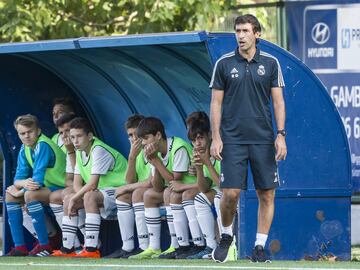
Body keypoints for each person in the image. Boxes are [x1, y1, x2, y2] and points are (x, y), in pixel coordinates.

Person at [210, 14, 287, 263]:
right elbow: (216, 103)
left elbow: (278, 101)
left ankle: (259, 246)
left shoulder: (271, 63)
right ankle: (225, 235)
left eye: (245, 31)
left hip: (263, 140)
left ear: (257, 34)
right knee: (230, 193)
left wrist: (281, 135)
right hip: (231, 140)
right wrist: (215, 137)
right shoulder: (223, 63)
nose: (240, 35)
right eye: (237, 31)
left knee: (267, 194)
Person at [130, 117, 200, 259]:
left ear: (158, 135)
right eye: (141, 139)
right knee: (149, 195)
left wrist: (156, 161)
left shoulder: (177, 147)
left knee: (169, 192)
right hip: (176, 189)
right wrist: (154, 163)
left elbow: (174, 180)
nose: (143, 143)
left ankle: (178, 244)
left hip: (194, 187)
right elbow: (157, 187)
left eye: (146, 138)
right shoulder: (153, 152)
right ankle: (154, 247)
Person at [64, 117, 128, 258]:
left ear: (90, 136)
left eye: (79, 136)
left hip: (121, 191)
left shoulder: (98, 149)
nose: (75, 141)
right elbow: (76, 183)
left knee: (87, 195)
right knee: (68, 198)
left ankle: (92, 249)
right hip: (103, 193)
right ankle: (67, 249)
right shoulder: (80, 152)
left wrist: (76, 197)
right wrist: (73, 198)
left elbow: (92, 184)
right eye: (72, 137)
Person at [5, 114, 66, 256]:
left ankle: (45, 245)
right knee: (10, 196)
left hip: (63, 187)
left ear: (38, 131)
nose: (26, 136)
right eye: (22, 133)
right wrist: (22, 184)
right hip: (48, 188)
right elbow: (18, 178)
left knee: (30, 194)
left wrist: (20, 191)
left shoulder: (43, 144)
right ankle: (20, 247)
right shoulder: (24, 148)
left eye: (29, 132)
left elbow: (37, 181)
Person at [105, 114, 152, 258]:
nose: (132, 139)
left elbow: (151, 181)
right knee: (123, 196)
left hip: (160, 190)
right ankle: (128, 247)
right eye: (129, 135)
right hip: (144, 192)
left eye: (134, 134)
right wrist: (131, 157)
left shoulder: (151, 148)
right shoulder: (136, 152)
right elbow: (129, 180)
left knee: (135, 193)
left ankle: (144, 246)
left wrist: (126, 187)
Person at [185, 111, 222, 259]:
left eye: (200, 138)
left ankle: (225, 244)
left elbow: (223, 184)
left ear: (210, 135)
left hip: (236, 191)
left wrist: (206, 161)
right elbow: (204, 188)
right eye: (194, 140)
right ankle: (210, 246)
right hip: (220, 190)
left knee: (220, 196)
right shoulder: (202, 153)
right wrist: (199, 168)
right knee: (201, 197)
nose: (197, 143)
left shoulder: (219, 150)